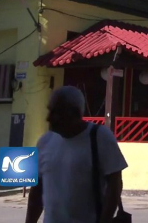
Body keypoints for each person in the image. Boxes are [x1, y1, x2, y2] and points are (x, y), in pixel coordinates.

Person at [25, 86, 128, 223]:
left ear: (74, 112)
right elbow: (37, 191)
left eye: (55, 112)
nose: (48, 118)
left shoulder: (99, 137)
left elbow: (114, 185)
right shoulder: (45, 142)